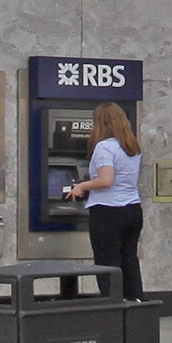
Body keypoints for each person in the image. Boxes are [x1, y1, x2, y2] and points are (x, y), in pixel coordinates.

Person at [66, 100, 146, 300]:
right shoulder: (132, 146)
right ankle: (136, 303)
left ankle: (113, 305)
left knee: (107, 263)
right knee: (129, 259)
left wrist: (81, 186)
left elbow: (106, 180)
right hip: (132, 209)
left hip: (108, 211)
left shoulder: (104, 147)